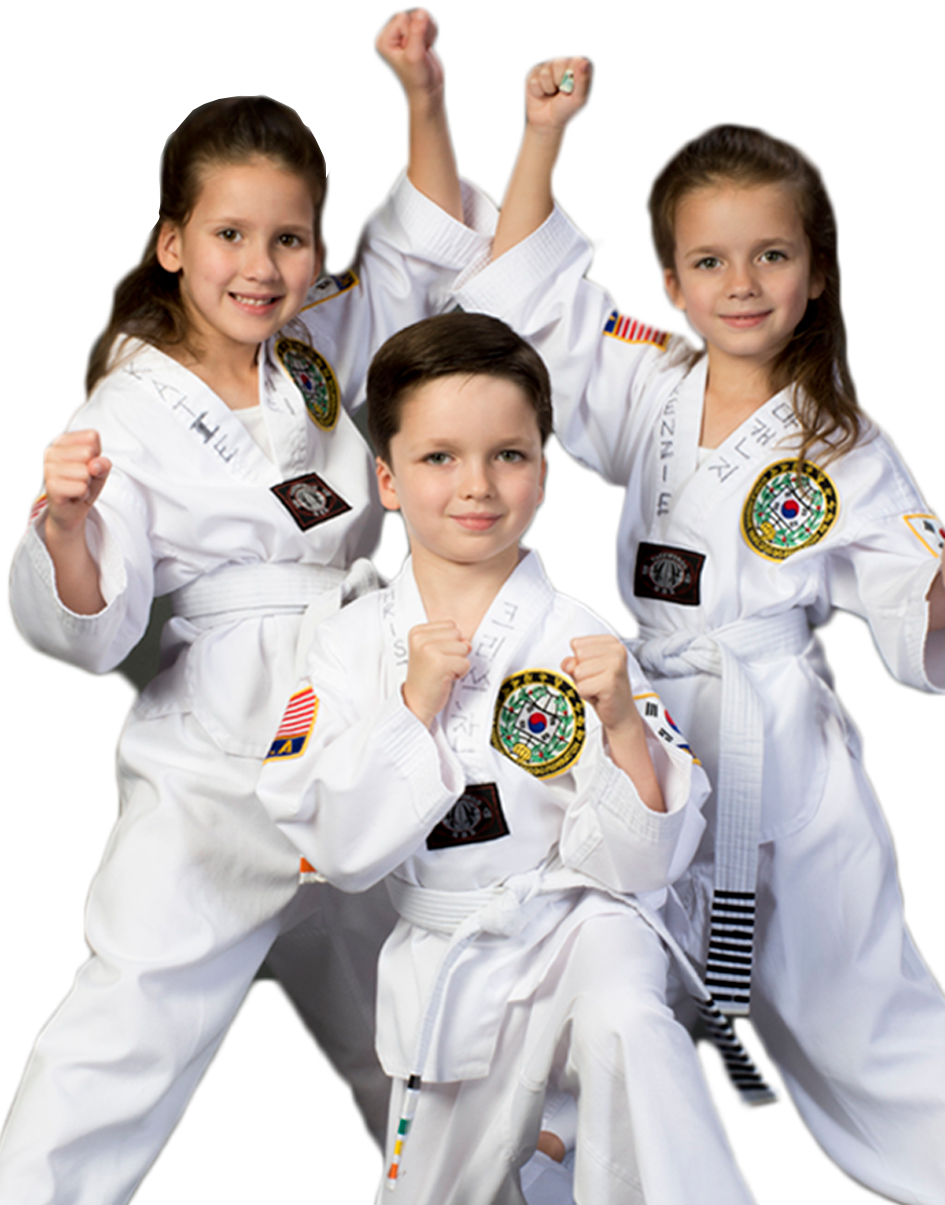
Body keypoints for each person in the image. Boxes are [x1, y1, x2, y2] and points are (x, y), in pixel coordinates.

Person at [448, 57, 945, 1205]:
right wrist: (543, 131)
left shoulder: (840, 439)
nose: (741, 283)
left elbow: (911, 595)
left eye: (772, 255)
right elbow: (520, 305)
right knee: (577, 981)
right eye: (710, 260)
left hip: (778, 749)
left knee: (867, 1010)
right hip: (641, 729)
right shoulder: (652, 374)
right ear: (671, 278)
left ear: (816, 275)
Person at [0, 13, 504, 1203]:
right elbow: (94, 620)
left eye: (288, 238)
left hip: (360, 715)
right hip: (219, 748)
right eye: (229, 234)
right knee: (125, 1034)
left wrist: (419, 90)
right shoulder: (125, 409)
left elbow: (418, 253)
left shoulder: (313, 355)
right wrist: (62, 526)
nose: (260, 266)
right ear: (172, 242)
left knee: (427, 1030)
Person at [257, 310, 765, 1204]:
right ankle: (546, 1145)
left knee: (630, 1026)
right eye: (440, 456)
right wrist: (414, 704)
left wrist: (622, 732)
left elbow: (641, 863)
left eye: (510, 455)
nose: (476, 485)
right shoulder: (346, 644)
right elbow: (335, 847)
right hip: (444, 960)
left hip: (575, 927)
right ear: (387, 477)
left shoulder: (579, 633)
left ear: (541, 477)